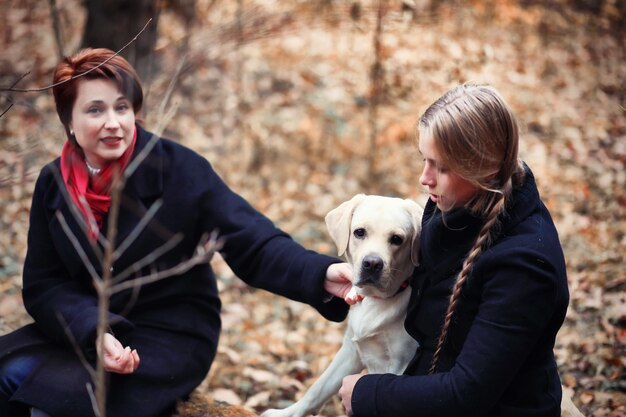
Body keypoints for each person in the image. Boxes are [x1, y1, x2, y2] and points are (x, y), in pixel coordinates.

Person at [0, 48, 354, 417]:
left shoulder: (178, 170)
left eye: (121, 107)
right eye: (95, 110)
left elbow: (253, 241)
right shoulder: (53, 183)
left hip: (168, 334)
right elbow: (44, 284)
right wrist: (94, 330)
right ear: (68, 121)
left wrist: (319, 274)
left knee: (55, 405)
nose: (113, 123)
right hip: (85, 329)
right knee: (6, 374)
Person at [338, 83, 569, 416]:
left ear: (484, 169)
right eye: (424, 160)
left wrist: (370, 394)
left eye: (441, 167)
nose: (424, 178)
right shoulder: (451, 208)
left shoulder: (525, 266)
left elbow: (468, 393)